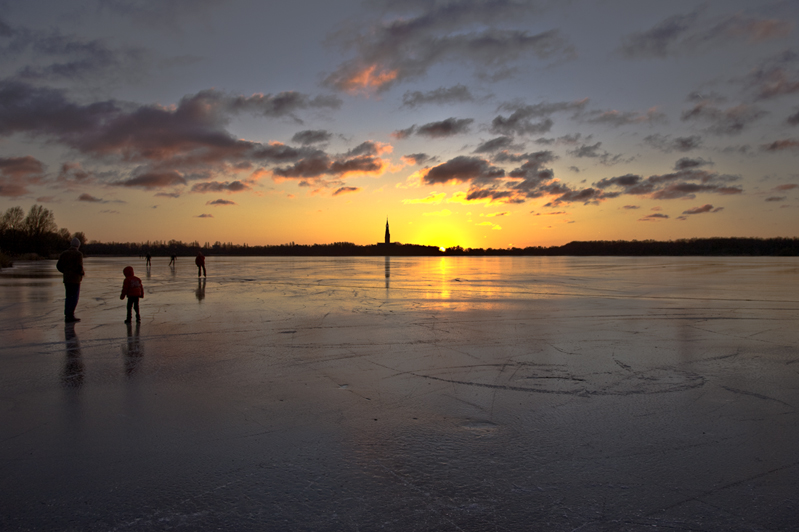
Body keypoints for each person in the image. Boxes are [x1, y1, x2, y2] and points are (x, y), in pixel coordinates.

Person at [56, 237, 84, 323]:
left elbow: (58, 266)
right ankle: (70, 315)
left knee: (68, 297)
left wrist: (65, 272)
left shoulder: (64, 253)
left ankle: (67, 314)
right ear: (78, 246)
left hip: (67, 279)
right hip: (75, 279)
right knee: (74, 297)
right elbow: (79, 266)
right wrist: (82, 273)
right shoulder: (78, 254)